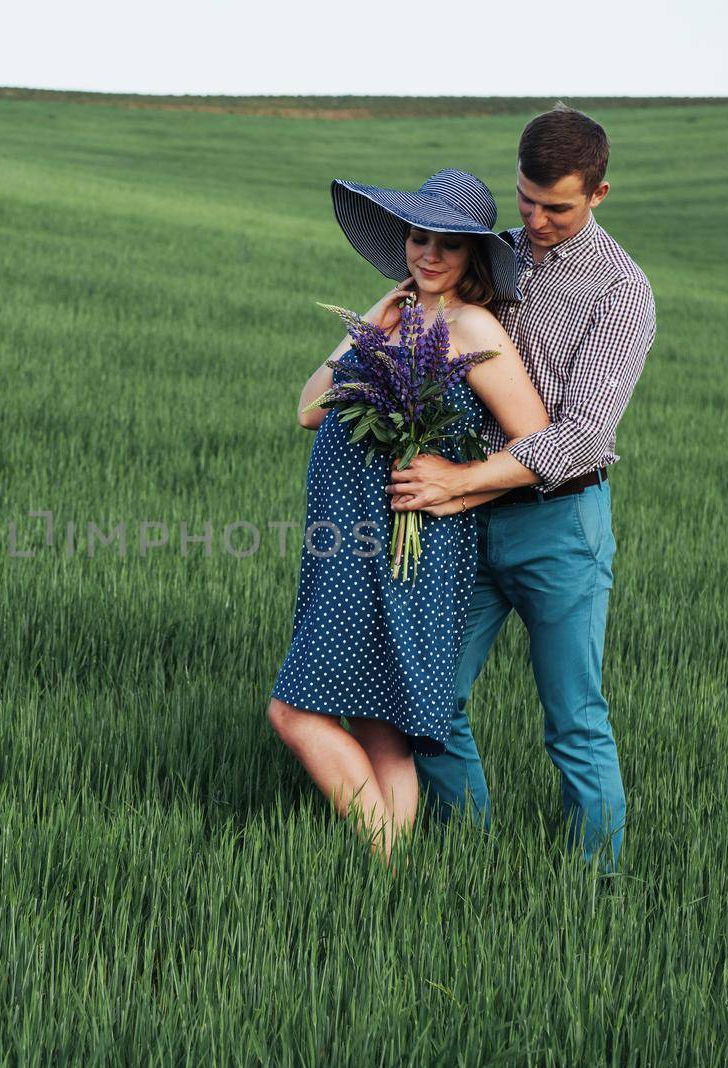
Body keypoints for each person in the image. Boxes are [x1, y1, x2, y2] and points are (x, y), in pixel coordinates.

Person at [386, 106, 657, 873]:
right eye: (525, 198)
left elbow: (580, 436)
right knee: (429, 694)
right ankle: (468, 861)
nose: (534, 220)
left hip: (560, 526)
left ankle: (592, 893)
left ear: (599, 194)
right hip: (463, 525)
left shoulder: (621, 291)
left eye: (558, 207)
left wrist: (461, 479)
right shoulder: (491, 256)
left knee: (573, 719)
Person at [267, 170, 549, 864]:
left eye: (447, 246)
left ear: (474, 257)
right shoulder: (401, 319)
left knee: (293, 712)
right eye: (418, 239)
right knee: (376, 721)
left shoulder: (471, 326)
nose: (427, 255)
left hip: (406, 544)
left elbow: (536, 440)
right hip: (348, 540)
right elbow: (309, 409)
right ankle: (392, 878)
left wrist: (456, 488)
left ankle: (380, 853)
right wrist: (371, 326)